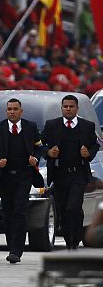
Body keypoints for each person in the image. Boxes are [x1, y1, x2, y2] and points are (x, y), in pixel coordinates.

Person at [0, 98, 44, 263]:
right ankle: (11, 245)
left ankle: (16, 250)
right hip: (4, 176)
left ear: (21, 111)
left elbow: (39, 147)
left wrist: (35, 158)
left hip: (24, 175)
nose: (12, 111)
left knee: (20, 210)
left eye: (15, 109)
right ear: (6, 111)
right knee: (8, 212)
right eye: (9, 109)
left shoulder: (30, 127)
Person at [42, 94, 100, 250]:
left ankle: (75, 240)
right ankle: (69, 241)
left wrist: (89, 153)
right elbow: (40, 145)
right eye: (65, 106)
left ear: (77, 108)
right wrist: (48, 152)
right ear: (61, 108)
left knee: (73, 207)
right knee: (62, 209)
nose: (68, 109)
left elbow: (95, 145)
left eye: (71, 106)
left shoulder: (87, 126)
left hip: (78, 173)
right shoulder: (52, 125)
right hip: (59, 174)